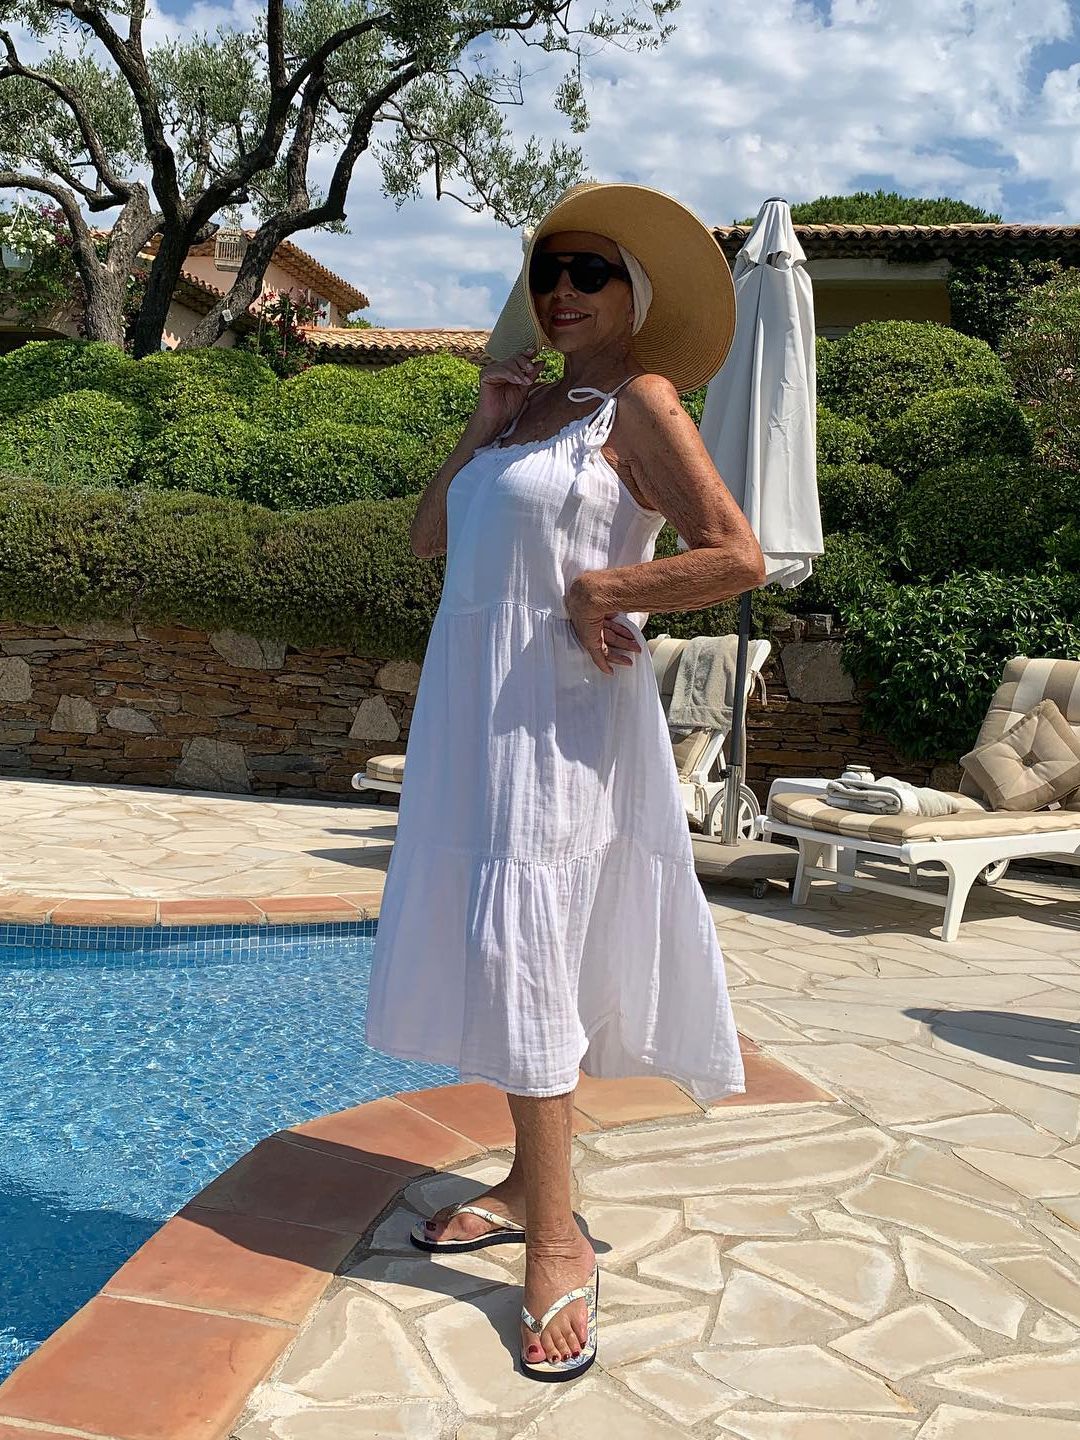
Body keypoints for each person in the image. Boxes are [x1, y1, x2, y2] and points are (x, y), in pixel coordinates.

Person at [366, 181, 765, 1381]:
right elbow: (433, 536)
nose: (562, 292)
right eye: (550, 271)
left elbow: (737, 553)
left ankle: (557, 1239)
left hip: (562, 725)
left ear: (634, 297)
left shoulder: (640, 403)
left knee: (530, 945)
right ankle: (520, 1175)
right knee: (501, 947)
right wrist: (483, 426)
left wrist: (605, 591)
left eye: (589, 273)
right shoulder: (533, 405)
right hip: (474, 715)